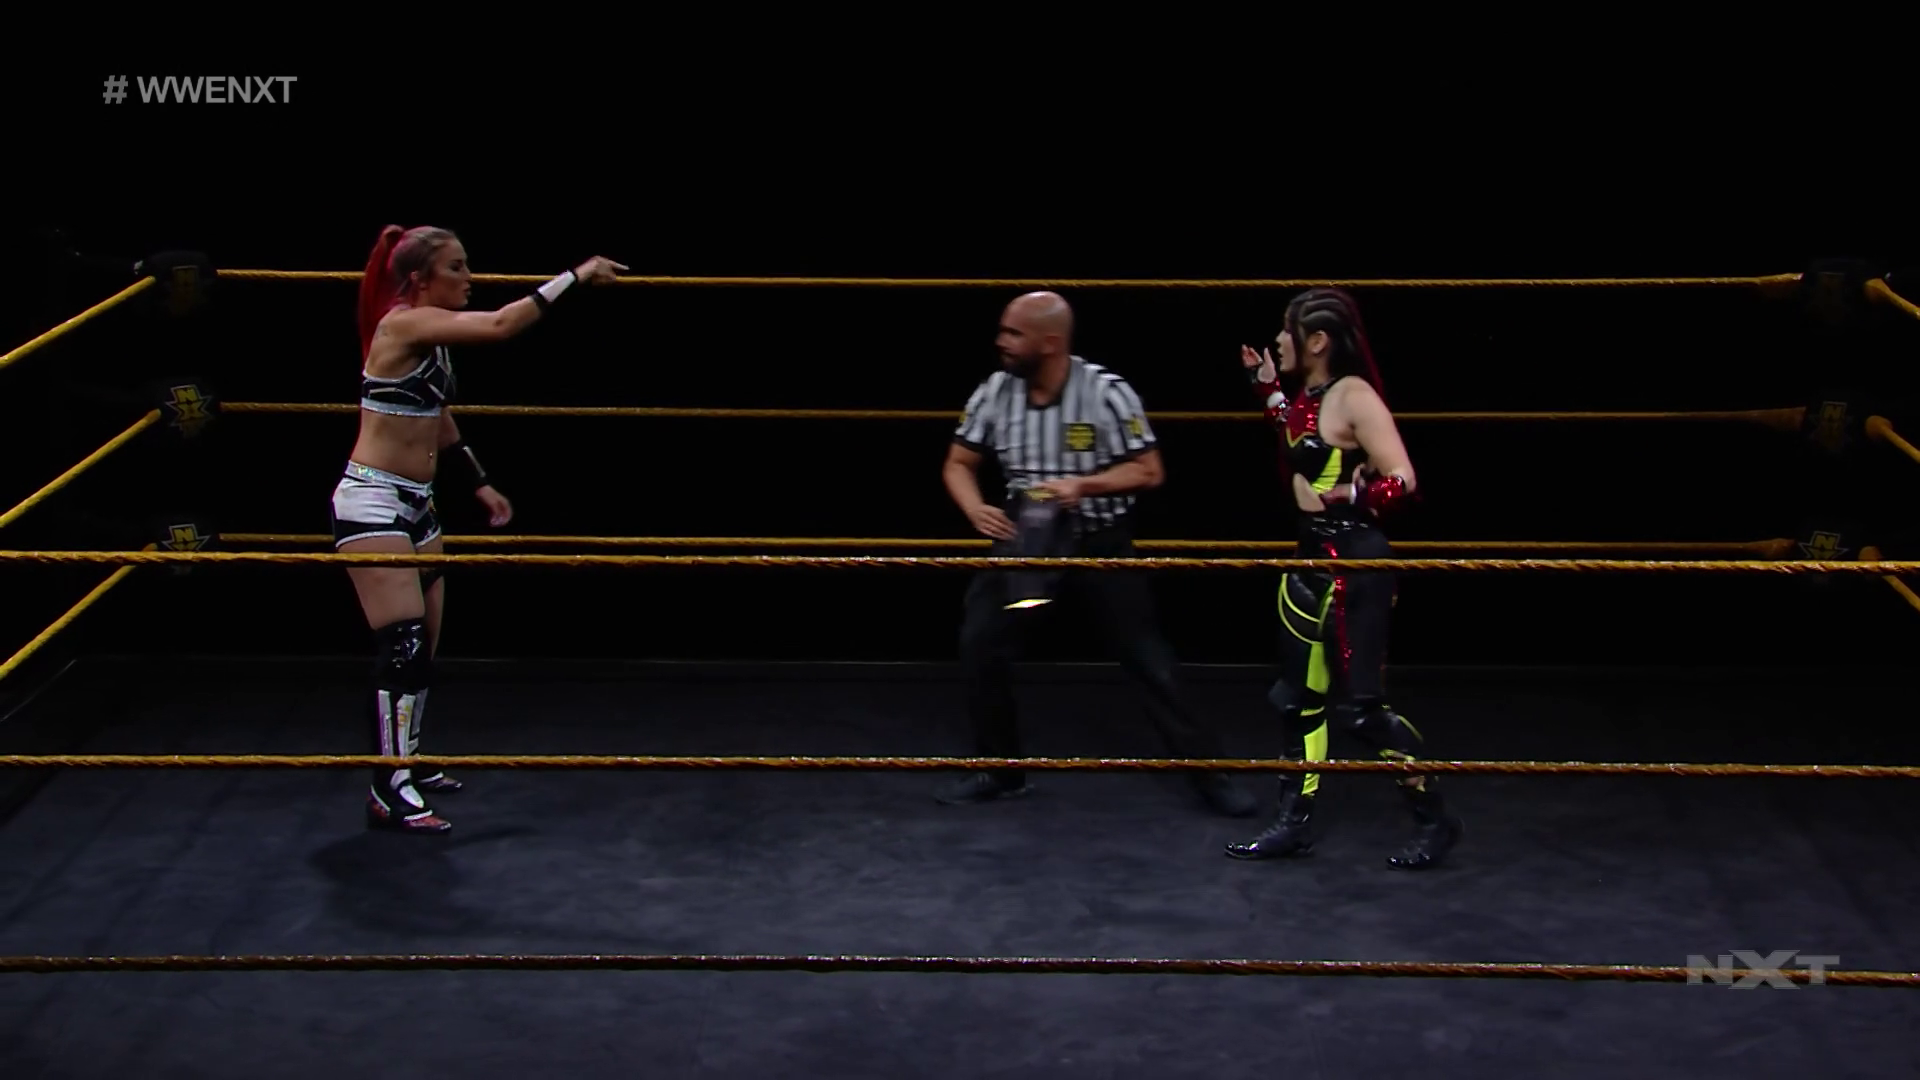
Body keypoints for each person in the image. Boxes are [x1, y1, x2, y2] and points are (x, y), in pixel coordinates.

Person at [335, 224, 625, 833]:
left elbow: (437, 415)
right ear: (420, 279)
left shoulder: (433, 335)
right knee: (403, 646)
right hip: (373, 502)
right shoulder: (402, 325)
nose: (470, 278)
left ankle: (409, 761)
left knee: (426, 644)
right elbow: (500, 325)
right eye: (457, 268)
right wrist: (574, 277)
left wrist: (479, 481)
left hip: (418, 503)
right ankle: (387, 788)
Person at [935, 291, 1256, 818]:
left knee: (1148, 658)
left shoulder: (1106, 392)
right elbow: (958, 462)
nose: (1001, 341)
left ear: (1050, 342)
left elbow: (1149, 470)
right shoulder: (995, 390)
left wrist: (1083, 486)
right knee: (980, 642)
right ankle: (999, 769)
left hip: (1097, 540)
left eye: (1014, 333)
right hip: (1027, 541)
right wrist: (975, 508)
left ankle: (1211, 776)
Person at [1223, 287, 1462, 869]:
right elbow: (1296, 433)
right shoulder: (1308, 397)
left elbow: (1403, 477)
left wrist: (1354, 493)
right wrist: (1266, 388)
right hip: (1307, 560)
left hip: (1355, 563)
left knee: (1360, 711)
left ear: (1318, 341)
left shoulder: (1355, 396)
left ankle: (1434, 817)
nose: (1278, 339)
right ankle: (1293, 823)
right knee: (1299, 702)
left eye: (1286, 330)